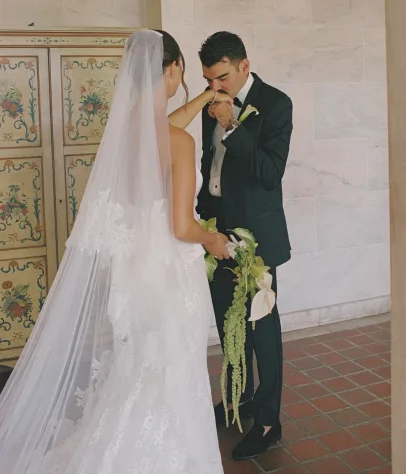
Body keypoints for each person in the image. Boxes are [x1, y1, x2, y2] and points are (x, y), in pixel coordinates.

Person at [0, 30, 231, 474]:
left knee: (141, 365)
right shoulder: (177, 143)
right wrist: (214, 241)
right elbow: (182, 226)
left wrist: (203, 98)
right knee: (169, 370)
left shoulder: (124, 134)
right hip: (166, 275)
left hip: (132, 274)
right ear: (172, 69)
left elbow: (165, 130)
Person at [197, 31, 293, 461]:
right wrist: (199, 218)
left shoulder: (276, 104)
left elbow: (270, 173)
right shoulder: (208, 100)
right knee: (227, 322)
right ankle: (239, 398)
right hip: (217, 232)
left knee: (262, 328)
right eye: (208, 80)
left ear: (244, 66)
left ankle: (269, 421)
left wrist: (231, 125)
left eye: (221, 78)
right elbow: (208, 164)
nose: (215, 88)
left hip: (258, 235)